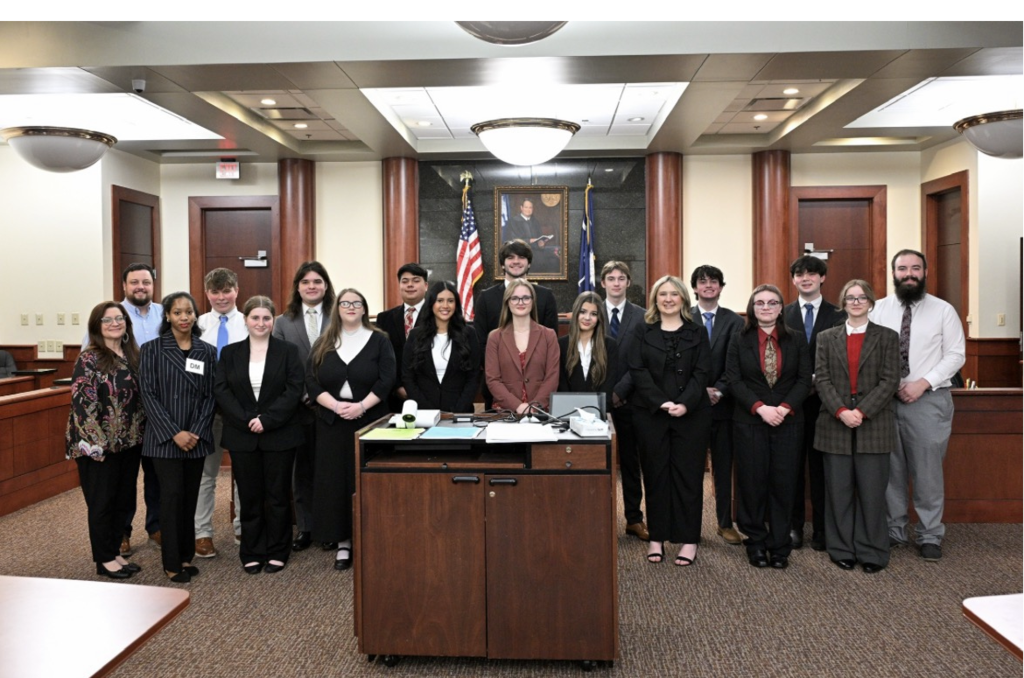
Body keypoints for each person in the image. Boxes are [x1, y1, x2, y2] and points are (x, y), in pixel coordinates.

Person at [869, 249, 965, 562]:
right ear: (893, 273)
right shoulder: (878, 309)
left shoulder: (943, 310)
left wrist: (922, 383)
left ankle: (929, 534)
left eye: (915, 268)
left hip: (928, 400)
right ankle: (894, 530)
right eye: (902, 269)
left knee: (927, 472)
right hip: (886, 400)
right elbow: (869, 351)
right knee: (890, 470)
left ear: (924, 272)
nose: (909, 274)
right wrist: (889, 384)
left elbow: (956, 355)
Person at [814, 280, 900, 574]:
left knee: (872, 492)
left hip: (873, 424)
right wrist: (841, 411)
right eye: (850, 298)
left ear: (871, 302)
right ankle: (842, 549)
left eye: (862, 297)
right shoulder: (826, 338)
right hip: (834, 423)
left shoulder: (887, 337)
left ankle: (872, 551)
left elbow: (890, 380)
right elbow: (822, 379)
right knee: (838, 491)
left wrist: (861, 411)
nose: (856, 302)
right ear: (843, 303)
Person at [306, 288, 395, 571]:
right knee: (336, 482)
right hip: (332, 424)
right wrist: (334, 405)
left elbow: (387, 379)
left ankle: (371, 539)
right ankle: (343, 541)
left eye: (357, 303)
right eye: (345, 303)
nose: (351, 307)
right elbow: (311, 381)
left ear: (364, 308)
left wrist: (361, 407)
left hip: (370, 422)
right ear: (338, 308)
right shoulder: (324, 342)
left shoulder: (379, 340)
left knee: (366, 480)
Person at [215, 296, 304, 575]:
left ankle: (278, 550)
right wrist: (246, 419)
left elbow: (294, 389)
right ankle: (252, 551)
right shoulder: (230, 353)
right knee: (249, 496)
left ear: (273, 320)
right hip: (242, 435)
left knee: (277, 496)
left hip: (280, 433)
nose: (261, 323)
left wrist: (267, 419)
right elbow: (221, 390)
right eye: (255, 317)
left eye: (266, 318)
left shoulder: (288, 351)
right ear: (246, 320)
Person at [726, 284, 812, 570]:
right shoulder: (738, 339)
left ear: (781, 308)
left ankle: (779, 545)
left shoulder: (796, 339)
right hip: (750, 421)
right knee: (752, 483)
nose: (766, 307)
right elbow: (734, 380)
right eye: (760, 303)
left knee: (784, 484)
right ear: (752, 308)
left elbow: (804, 379)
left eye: (772, 302)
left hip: (789, 422)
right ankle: (755, 542)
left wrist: (784, 408)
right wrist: (760, 408)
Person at [81, 263, 164, 557]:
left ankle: (157, 527)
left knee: (156, 475)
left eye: (146, 282)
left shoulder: (164, 315)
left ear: (153, 284)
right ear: (124, 285)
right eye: (134, 282)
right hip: (116, 425)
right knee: (121, 485)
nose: (141, 286)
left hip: (154, 415)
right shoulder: (110, 319)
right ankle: (122, 534)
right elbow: (87, 380)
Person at [627, 275, 711, 567]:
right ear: (655, 299)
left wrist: (685, 403)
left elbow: (702, 372)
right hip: (651, 414)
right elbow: (637, 370)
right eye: (663, 294)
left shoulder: (697, 332)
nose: (668, 299)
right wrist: (660, 402)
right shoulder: (642, 330)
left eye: (674, 294)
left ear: (683, 299)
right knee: (656, 476)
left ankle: (689, 540)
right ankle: (657, 538)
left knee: (689, 477)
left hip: (692, 416)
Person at [139, 292, 217, 583]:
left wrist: (194, 431)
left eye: (189, 312)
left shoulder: (206, 351)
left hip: (196, 437)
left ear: (196, 315)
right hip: (165, 438)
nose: (184, 317)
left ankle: (185, 556)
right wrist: (175, 433)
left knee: (189, 497)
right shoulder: (152, 349)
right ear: (167, 316)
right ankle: (171, 563)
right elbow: (148, 395)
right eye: (177, 312)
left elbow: (210, 395)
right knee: (171, 498)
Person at [66, 302, 146, 580]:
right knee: (102, 503)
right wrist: (95, 445)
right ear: (96, 326)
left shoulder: (132, 355)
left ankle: (114, 552)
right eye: (107, 319)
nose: (115, 323)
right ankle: (104, 559)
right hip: (98, 447)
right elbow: (83, 405)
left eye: (119, 318)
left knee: (123, 501)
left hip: (130, 442)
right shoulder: (89, 359)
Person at [271, 261, 335, 552]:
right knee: (303, 471)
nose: (312, 286)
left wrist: (323, 395)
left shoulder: (338, 316)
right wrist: (303, 394)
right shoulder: (283, 322)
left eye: (317, 281)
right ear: (297, 287)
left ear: (325, 285)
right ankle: (306, 527)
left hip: (333, 406)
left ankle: (330, 526)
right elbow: (280, 365)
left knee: (330, 470)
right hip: (298, 408)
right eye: (306, 282)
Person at [783, 255, 845, 551]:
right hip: (791, 404)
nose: (805, 278)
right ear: (793, 279)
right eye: (799, 274)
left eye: (811, 273)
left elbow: (842, 358)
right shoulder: (782, 313)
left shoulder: (839, 315)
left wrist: (817, 380)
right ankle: (794, 528)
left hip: (826, 404)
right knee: (792, 469)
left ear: (822, 278)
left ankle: (822, 530)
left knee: (822, 470)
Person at [194, 267, 248, 558]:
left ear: (236, 291)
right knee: (206, 474)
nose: (221, 297)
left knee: (243, 472)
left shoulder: (249, 322)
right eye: (215, 292)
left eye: (227, 291)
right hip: (207, 410)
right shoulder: (197, 325)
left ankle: (242, 526)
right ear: (207, 294)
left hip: (240, 409)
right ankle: (202, 532)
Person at [690, 265, 744, 546]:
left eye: (714, 281)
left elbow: (736, 364)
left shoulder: (734, 322)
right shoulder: (682, 317)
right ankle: (690, 526)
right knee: (690, 470)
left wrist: (720, 390)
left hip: (724, 407)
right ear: (695, 288)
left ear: (721, 287)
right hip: (691, 407)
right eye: (702, 281)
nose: (708, 285)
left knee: (723, 468)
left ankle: (724, 524)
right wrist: (700, 392)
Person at [474, 239, 559, 408]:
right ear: (502, 264)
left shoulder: (545, 296)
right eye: (510, 257)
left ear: (529, 263)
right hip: (500, 396)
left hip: (539, 399)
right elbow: (481, 343)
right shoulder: (486, 297)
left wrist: (534, 403)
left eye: (521, 257)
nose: (516, 261)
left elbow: (551, 348)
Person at [600, 261, 650, 542]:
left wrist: (620, 392)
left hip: (631, 399)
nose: (616, 283)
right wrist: (607, 394)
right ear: (603, 283)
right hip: (597, 400)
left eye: (621, 278)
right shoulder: (591, 312)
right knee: (597, 462)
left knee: (631, 463)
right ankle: (600, 519)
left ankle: (634, 518)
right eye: (611, 278)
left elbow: (642, 360)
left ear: (629, 282)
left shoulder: (642, 316)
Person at [402, 281, 481, 412]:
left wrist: (458, 410)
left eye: (450, 301)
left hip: (460, 412)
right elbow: (408, 377)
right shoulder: (415, 335)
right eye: (440, 301)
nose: (445, 306)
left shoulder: (469, 334)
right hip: (424, 412)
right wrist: (427, 409)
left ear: (456, 304)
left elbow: (474, 376)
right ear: (431, 303)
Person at [485, 278, 560, 413]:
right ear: (507, 302)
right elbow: (493, 380)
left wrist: (534, 407)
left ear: (533, 301)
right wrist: (517, 406)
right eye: (515, 298)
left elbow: (552, 377)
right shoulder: (495, 337)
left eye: (526, 298)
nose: (521, 302)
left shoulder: (549, 335)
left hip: (541, 412)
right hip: (506, 412)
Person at [375, 263, 429, 412]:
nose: (410, 285)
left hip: (429, 395)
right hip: (395, 396)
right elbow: (382, 357)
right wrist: (397, 386)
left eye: (416, 280)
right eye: (405, 281)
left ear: (426, 286)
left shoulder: (437, 317)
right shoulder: (384, 319)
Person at [558, 291, 618, 402]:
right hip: (568, 408)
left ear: (599, 317)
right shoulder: (561, 344)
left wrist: (595, 408)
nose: (587, 318)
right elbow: (562, 384)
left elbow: (608, 386)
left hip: (599, 409)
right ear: (576, 313)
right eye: (583, 312)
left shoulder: (610, 345)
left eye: (593, 314)